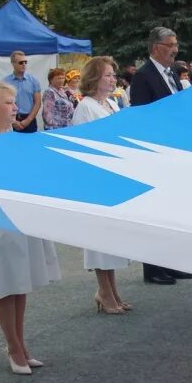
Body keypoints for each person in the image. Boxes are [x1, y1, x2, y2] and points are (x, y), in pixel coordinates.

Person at [0, 80, 60, 372]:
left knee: (20, 282)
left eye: (14, 103)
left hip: (21, 215)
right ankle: (12, 346)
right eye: (9, 103)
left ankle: (21, 342)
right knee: (5, 283)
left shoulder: (14, 137)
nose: (16, 108)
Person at [128, 27, 192, 285]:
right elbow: (143, 117)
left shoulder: (172, 75)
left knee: (173, 210)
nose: (175, 49)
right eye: (170, 44)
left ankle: (171, 262)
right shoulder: (144, 76)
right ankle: (153, 267)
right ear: (156, 47)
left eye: (176, 44)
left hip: (174, 152)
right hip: (155, 153)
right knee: (155, 212)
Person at [72, 57, 131, 315]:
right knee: (99, 238)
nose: (112, 79)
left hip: (115, 175)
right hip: (95, 178)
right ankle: (103, 291)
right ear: (95, 78)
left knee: (112, 237)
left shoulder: (112, 104)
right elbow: (82, 144)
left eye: (113, 75)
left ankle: (113, 289)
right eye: (107, 75)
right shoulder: (85, 107)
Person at [6, 51, 42, 134]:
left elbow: (37, 102)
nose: (24, 64)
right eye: (21, 62)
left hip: (29, 119)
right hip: (11, 118)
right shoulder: (5, 82)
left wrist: (28, 120)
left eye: (25, 62)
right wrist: (13, 122)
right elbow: (3, 103)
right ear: (13, 64)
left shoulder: (33, 81)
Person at [41, 66, 76, 130]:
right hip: (56, 129)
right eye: (59, 78)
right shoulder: (49, 92)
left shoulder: (63, 91)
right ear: (51, 80)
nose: (61, 80)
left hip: (67, 128)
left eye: (63, 78)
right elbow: (47, 116)